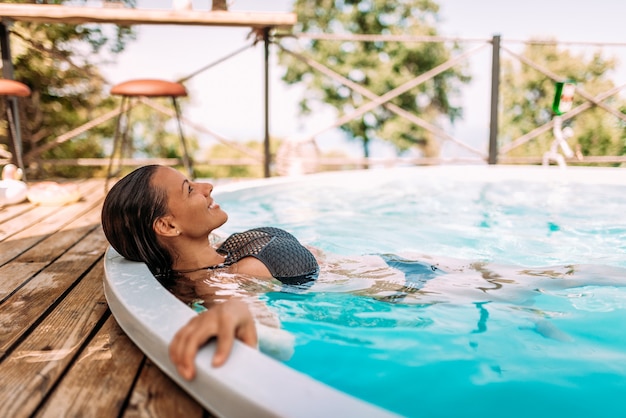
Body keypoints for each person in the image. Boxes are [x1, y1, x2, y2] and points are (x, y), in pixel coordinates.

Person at [101, 164, 320, 379]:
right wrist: (235, 310)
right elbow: (280, 344)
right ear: (168, 227)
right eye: (189, 189)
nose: (207, 186)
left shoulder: (222, 248)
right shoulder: (221, 280)